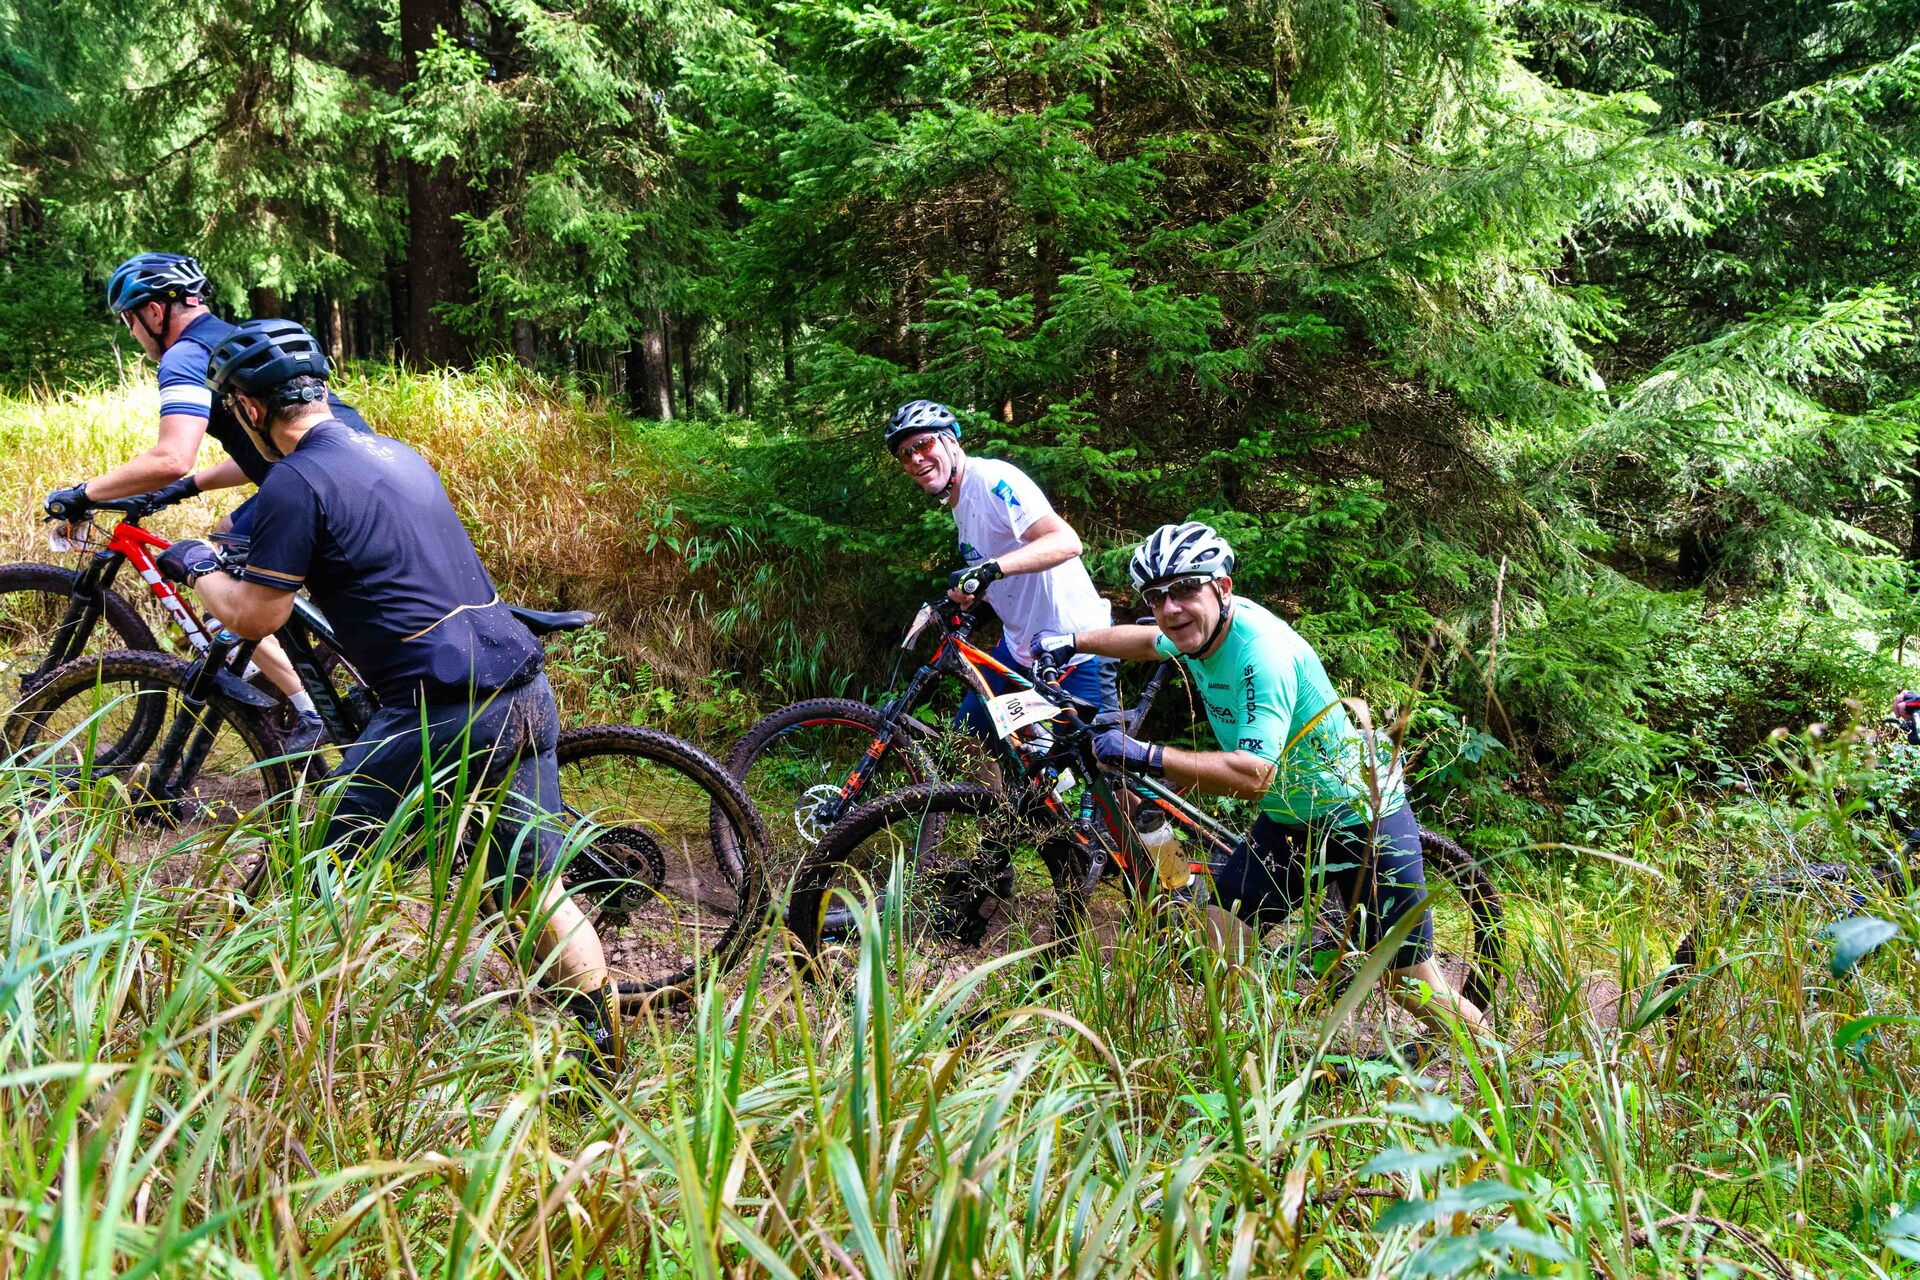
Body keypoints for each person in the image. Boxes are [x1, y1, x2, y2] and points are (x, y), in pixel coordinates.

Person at [159, 318, 617, 1065]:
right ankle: (602, 1056)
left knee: (312, 868)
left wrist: (197, 563)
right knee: (534, 891)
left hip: (439, 710)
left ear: (250, 409)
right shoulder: (397, 453)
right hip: (523, 687)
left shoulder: (296, 480)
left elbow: (255, 615)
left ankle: (256, 1047)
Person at [1036, 520, 1489, 1035]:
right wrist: (1072, 641)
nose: (1170, 608)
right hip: (1290, 820)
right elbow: (1146, 640)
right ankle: (1264, 1049)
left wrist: (1147, 754)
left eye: (1184, 589)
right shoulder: (1196, 631)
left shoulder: (1262, 654)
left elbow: (1254, 775)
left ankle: (1501, 1062)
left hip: (1360, 818)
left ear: (1222, 587)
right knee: (1218, 944)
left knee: (1409, 983)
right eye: (1156, 596)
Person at [43, 253, 375, 754]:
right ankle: (297, 672)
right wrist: (185, 488)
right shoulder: (235, 339)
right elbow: (262, 449)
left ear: (154, 312)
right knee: (227, 533)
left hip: (315, 482)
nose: (132, 334)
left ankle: (308, 708)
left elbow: (171, 456)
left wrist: (82, 493)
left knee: (222, 587)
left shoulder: (184, 355)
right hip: (359, 466)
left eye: (129, 320)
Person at [884, 399, 1117, 735]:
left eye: (923, 444)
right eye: (905, 454)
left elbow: (1066, 542)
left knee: (1100, 760)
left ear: (951, 440)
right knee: (967, 736)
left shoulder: (992, 479)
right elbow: (1009, 573)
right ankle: (1020, 766)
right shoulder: (960, 502)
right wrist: (973, 600)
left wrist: (987, 570)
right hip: (1022, 650)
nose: (915, 458)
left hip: (1077, 646)